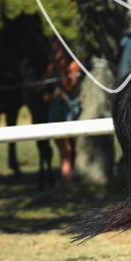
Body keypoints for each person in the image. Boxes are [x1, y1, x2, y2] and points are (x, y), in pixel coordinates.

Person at [48, 52, 82, 183]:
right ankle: (67, 182)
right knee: (64, 150)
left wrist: (59, 77)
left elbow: (70, 87)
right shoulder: (52, 67)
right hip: (57, 107)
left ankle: (78, 178)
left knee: (77, 146)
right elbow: (39, 86)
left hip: (71, 107)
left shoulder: (74, 65)